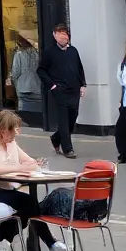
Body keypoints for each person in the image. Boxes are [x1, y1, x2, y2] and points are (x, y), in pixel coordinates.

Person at [0, 110, 69, 251]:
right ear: (1, 129)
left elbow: (30, 162)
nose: (15, 134)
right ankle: (50, 243)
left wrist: (30, 164)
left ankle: (0, 240)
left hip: (9, 188)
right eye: (13, 130)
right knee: (29, 204)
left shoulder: (11, 143)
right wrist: (18, 167)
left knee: (27, 208)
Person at [37, 22, 85, 158]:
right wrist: (52, 85)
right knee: (63, 120)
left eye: (65, 34)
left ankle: (56, 138)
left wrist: (83, 85)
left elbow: (80, 69)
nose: (63, 37)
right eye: (60, 34)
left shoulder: (73, 51)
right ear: (54, 35)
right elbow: (40, 70)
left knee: (72, 118)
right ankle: (68, 149)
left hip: (74, 90)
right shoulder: (50, 53)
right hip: (60, 91)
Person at [6, 32, 42, 113]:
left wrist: (15, 85)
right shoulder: (38, 53)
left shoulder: (19, 54)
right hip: (37, 88)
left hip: (23, 89)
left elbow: (15, 72)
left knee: (25, 113)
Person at [118, 41, 126, 164]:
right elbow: (123, 85)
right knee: (121, 129)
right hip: (125, 102)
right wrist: (121, 100)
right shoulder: (123, 63)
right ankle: (123, 154)